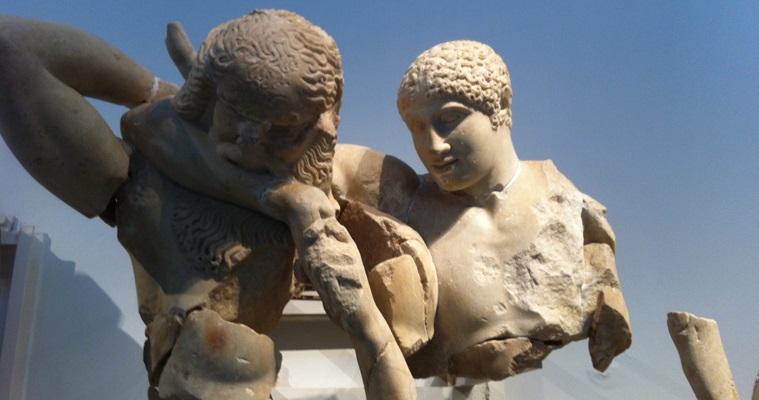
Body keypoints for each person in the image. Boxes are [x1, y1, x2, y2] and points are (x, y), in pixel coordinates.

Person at [0, 10, 416, 399]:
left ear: (317, 130)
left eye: (283, 132)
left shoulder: (319, 197)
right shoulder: (149, 176)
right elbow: (10, 47)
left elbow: (375, 338)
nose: (251, 143)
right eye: (238, 115)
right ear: (210, 94)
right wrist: (157, 92)